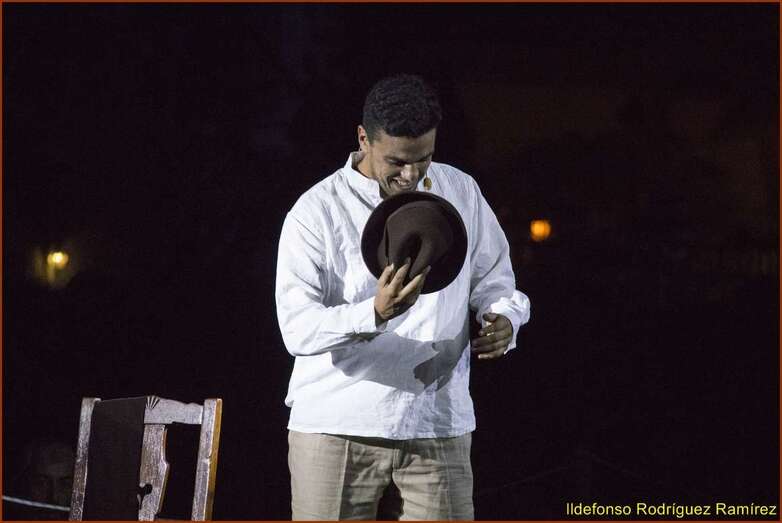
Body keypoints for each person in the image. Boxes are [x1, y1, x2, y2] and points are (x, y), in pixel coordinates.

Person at [275, 74, 530, 520]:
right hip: (336, 428)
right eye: (396, 161)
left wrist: (504, 317)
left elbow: (495, 280)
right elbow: (297, 328)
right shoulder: (315, 211)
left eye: (423, 158)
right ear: (363, 139)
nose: (411, 175)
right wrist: (373, 313)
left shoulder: (461, 190)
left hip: (437, 425)